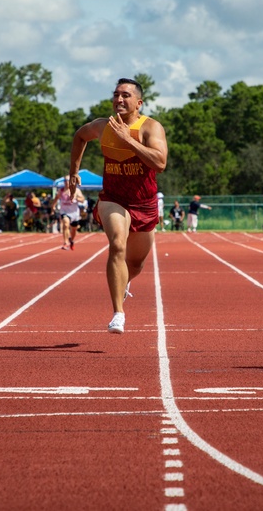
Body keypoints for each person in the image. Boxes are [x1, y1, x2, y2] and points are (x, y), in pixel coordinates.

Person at [68, 78, 168, 334]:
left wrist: (129, 140)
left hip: (144, 203)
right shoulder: (103, 126)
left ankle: (123, 283)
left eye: (125, 95)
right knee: (118, 244)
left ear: (138, 102)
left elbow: (160, 163)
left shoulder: (151, 128)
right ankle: (118, 313)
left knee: (135, 265)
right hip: (113, 199)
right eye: (116, 95)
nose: (119, 99)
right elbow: (80, 136)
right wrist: (73, 171)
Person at [53, 183, 85, 250]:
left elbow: (82, 200)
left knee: (74, 230)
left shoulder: (76, 190)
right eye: (65, 180)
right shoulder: (61, 191)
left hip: (74, 213)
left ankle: (71, 240)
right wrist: (53, 206)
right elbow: (56, 198)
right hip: (65, 212)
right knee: (66, 224)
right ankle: (65, 242)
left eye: (68, 180)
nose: (67, 182)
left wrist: (76, 197)